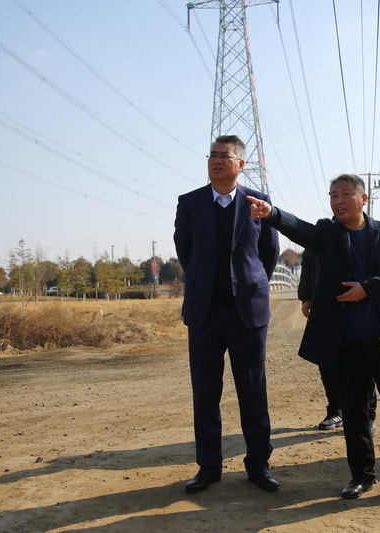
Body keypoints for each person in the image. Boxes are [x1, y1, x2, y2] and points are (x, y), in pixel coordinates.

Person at [248, 174, 380, 506]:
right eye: (333, 195)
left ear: (363, 198)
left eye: (346, 194)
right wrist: (273, 214)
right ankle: (362, 475)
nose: (338, 200)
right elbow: (301, 230)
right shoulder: (326, 232)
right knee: (354, 413)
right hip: (345, 341)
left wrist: (367, 288)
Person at [173, 134, 280, 493]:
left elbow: (269, 253)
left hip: (246, 312)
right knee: (205, 392)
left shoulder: (258, 202)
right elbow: (185, 251)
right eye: (212, 155)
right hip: (204, 312)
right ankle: (209, 467)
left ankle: (259, 464)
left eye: (225, 156)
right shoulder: (189, 203)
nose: (216, 161)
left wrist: (250, 283)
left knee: (253, 390)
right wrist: (204, 281)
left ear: (240, 164)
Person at [299, 249, 377, 436]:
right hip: (325, 304)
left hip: (359, 303)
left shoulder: (363, 235)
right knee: (327, 359)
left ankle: (368, 414)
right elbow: (308, 263)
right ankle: (336, 411)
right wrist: (306, 297)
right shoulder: (320, 236)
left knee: (363, 361)